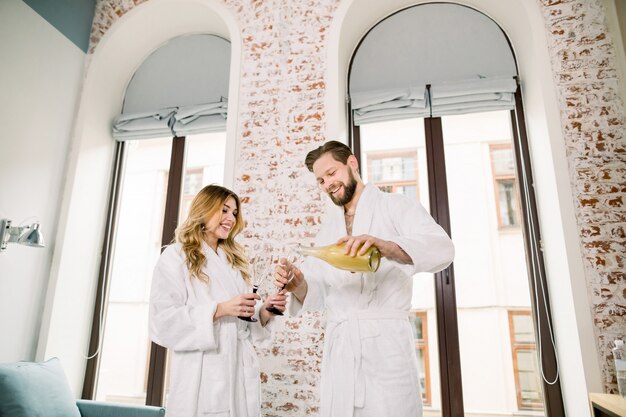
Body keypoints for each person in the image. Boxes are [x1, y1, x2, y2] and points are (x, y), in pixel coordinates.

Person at [274, 141, 454, 417]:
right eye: (321, 180)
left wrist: (385, 246)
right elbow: (318, 290)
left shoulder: (396, 206)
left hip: (385, 347)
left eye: (332, 173)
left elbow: (442, 248)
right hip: (342, 347)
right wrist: (296, 281)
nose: (327, 184)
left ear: (352, 163)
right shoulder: (328, 229)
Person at [150, 184, 286, 417]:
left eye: (234, 213)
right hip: (201, 375)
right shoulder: (175, 257)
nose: (230, 218)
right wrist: (220, 309)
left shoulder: (234, 262)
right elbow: (162, 322)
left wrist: (265, 312)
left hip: (238, 372)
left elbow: (244, 323)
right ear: (204, 209)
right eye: (224, 210)